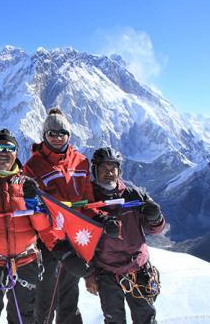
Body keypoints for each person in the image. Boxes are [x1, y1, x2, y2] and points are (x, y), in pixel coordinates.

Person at [0, 129, 62, 324]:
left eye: (9, 148)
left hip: (26, 262)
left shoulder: (28, 185)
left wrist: (35, 203)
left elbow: (42, 227)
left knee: (23, 319)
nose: (3, 153)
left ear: (16, 153)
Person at [24, 107, 97, 324]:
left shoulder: (81, 162)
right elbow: (34, 212)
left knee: (69, 297)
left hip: (75, 239)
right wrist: (58, 248)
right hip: (49, 243)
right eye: (51, 133)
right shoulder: (33, 165)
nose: (57, 137)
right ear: (44, 135)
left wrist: (101, 218)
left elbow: (88, 202)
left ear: (69, 135)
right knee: (45, 301)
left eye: (62, 133)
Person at [85, 147, 165, 324]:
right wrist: (90, 275)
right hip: (107, 272)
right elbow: (82, 243)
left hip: (139, 268)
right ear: (95, 171)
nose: (109, 173)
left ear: (119, 171)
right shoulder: (88, 201)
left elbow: (155, 229)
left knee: (146, 318)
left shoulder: (134, 195)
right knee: (114, 320)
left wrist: (155, 218)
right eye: (103, 169)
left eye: (113, 168)